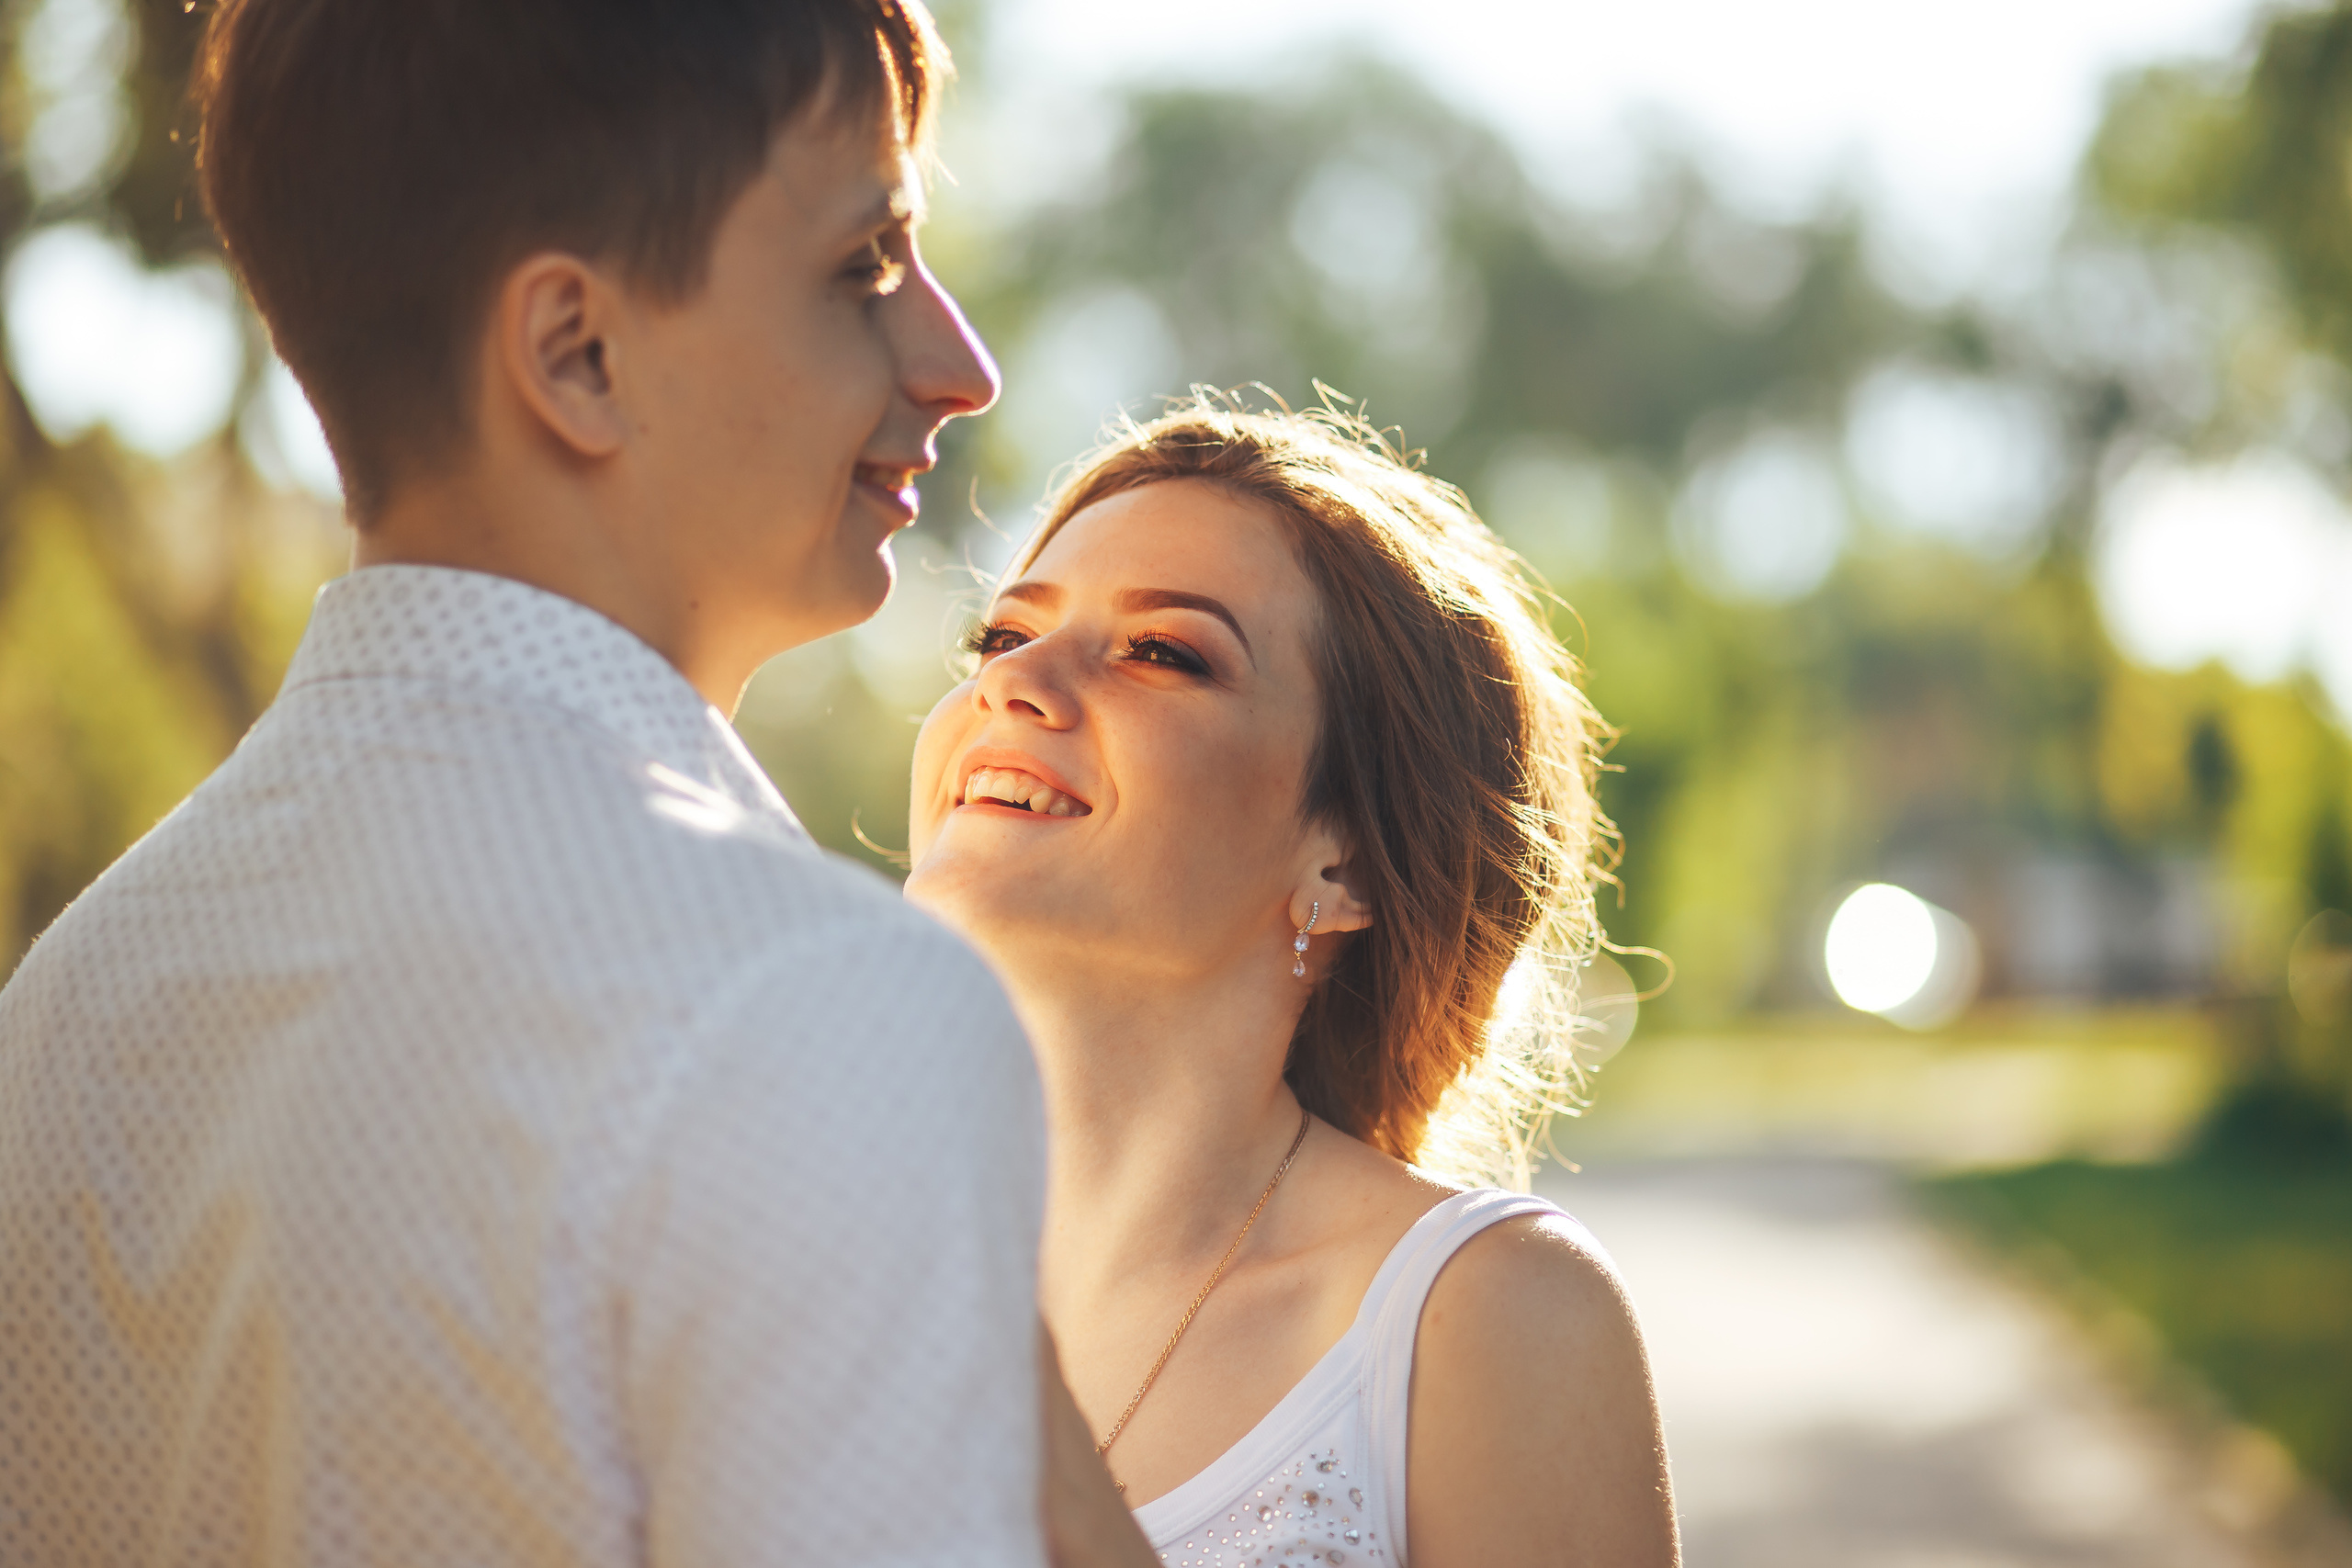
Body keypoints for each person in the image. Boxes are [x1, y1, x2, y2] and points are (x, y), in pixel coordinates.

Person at [0, 1, 1108, 1562]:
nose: (960, 361)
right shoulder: (812, 1001)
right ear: (577, 353)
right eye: (865, 264)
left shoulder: (68, 1002)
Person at [907, 399, 1682, 1565]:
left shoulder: (1480, 1315)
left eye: (1161, 652)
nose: (1015, 686)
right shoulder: (791, 1270)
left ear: (1345, 858)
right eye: (1001, 637)